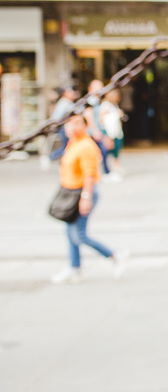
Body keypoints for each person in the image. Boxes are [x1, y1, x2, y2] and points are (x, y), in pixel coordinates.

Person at [51, 114, 127, 284]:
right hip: (71, 192)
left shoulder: (86, 146)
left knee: (79, 235)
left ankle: (114, 256)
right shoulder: (73, 143)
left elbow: (90, 175)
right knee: (70, 233)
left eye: (76, 124)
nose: (71, 128)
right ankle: (74, 268)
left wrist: (86, 197)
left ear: (85, 126)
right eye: (69, 124)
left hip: (81, 193)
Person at [41, 86, 79, 169]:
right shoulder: (64, 103)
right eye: (71, 92)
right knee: (66, 147)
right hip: (63, 128)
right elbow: (56, 118)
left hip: (64, 127)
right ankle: (50, 157)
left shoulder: (67, 103)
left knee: (68, 146)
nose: (73, 94)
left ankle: (63, 161)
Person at [99, 89, 126, 181]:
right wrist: (106, 133)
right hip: (110, 132)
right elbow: (102, 119)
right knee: (107, 151)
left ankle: (115, 167)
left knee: (116, 150)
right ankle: (108, 171)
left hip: (116, 131)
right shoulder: (105, 105)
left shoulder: (114, 105)